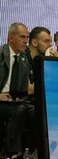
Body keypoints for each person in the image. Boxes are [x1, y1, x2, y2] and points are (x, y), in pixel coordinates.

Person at [0, 23, 36, 158]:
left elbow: (23, 89)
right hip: (1, 100)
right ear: (10, 38)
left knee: (38, 114)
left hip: (15, 100)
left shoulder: (24, 59)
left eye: (27, 37)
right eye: (22, 37)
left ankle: (34, 151)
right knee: (19, 110)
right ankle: (12, 152)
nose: (26, 41)